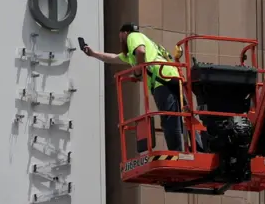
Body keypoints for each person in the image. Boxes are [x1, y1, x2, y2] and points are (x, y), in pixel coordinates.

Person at [83, 22, 204, 152]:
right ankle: (200, 148)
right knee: (186, 115)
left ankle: (176, 152)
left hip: (161, 80)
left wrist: (138, 72)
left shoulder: (133, 36)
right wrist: (93, 53)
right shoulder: (135, 52)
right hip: (172, 77)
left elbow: (141, 51)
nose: (121, 40)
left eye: (120, 37)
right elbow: (114, 58)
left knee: (169, 118)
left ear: (125, 33)